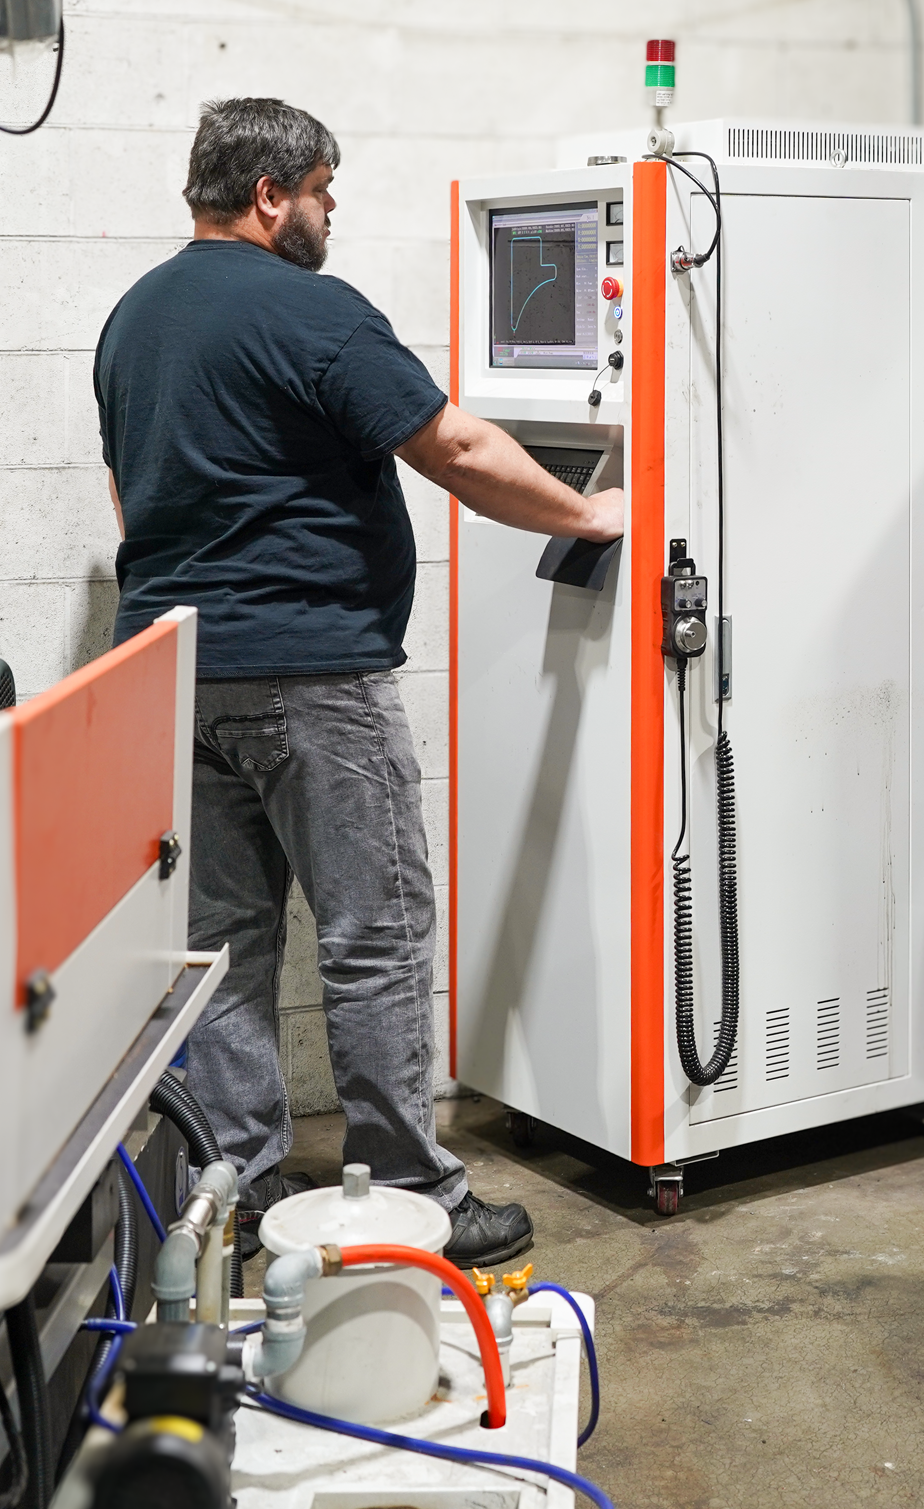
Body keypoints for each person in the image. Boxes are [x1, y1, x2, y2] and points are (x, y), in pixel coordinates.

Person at [96, 98, 624, 1266]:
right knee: (375, 932)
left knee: (224, 948)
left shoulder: (132, 318)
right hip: (313, 673)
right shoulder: (312, 308)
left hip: (175, 673)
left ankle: (233, 1200)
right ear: (272, 195)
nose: (333, 213)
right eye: (325, 191)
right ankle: (419, 1199)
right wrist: (591, 509)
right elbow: (458, 447)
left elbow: (135, 503)